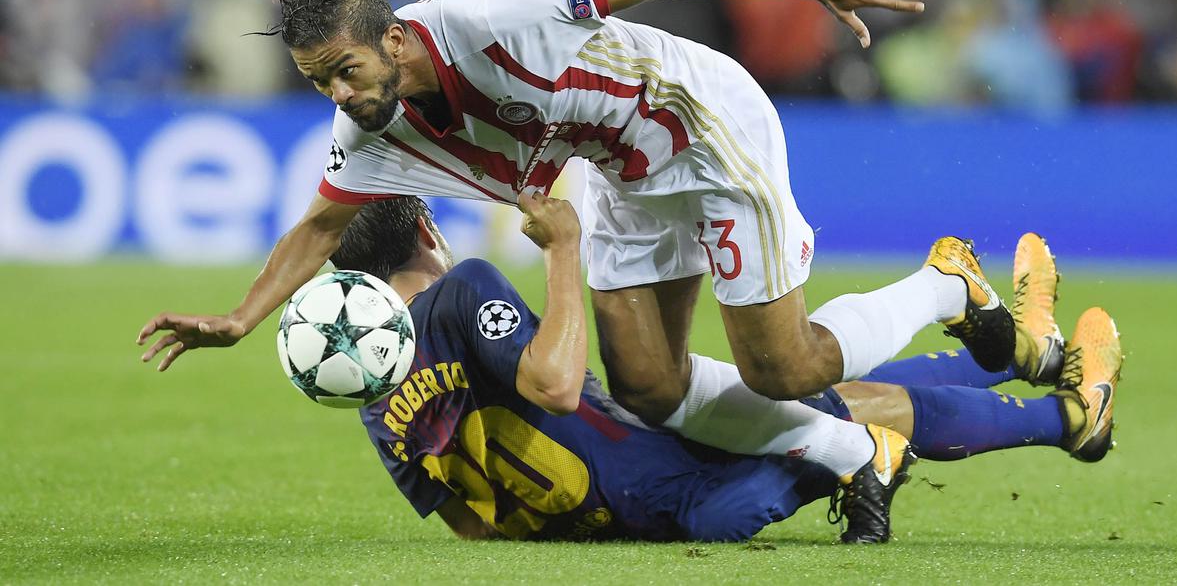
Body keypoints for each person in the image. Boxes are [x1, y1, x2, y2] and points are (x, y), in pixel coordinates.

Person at [137, 0, 1026, 525]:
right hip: (618, 173)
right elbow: (321, 225)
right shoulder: (370, 127)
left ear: (396, 43)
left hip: (702, 125)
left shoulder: (489, 15)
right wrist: (240, 318)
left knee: (783, 367)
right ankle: (850, 453)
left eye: (343, 71)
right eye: (316, 82)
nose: (337, 95)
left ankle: (948, 283)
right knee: (645, 386)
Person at [334, 195, 1121, 542]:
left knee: (834, 408)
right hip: (649, 461)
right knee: (831, 402)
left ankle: (1064, 410)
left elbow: (470, 525)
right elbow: (557, 386)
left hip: (650, 450)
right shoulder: (465, 288)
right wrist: (563, 252)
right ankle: (1020, 348)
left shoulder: (374, 399)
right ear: (426, 225)